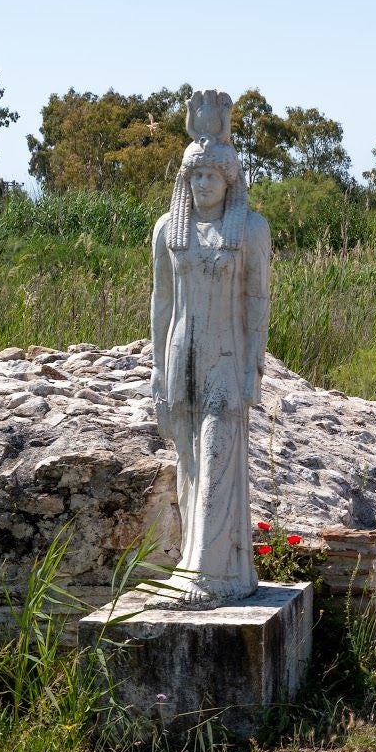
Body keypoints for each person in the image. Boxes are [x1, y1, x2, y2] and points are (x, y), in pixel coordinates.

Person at [150, 89, 271, 606]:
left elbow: (257, 302)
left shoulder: (249, 229)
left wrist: (252, 372)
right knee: (190, 462)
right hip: (181, 356)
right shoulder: (167, 231)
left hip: (226, 359)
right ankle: (198, 563)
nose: (203, 185)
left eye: (212, 177)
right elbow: (160, 304)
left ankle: (208, 573)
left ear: (229, 181)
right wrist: (157, 372)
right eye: (195, 176)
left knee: (219, 455)